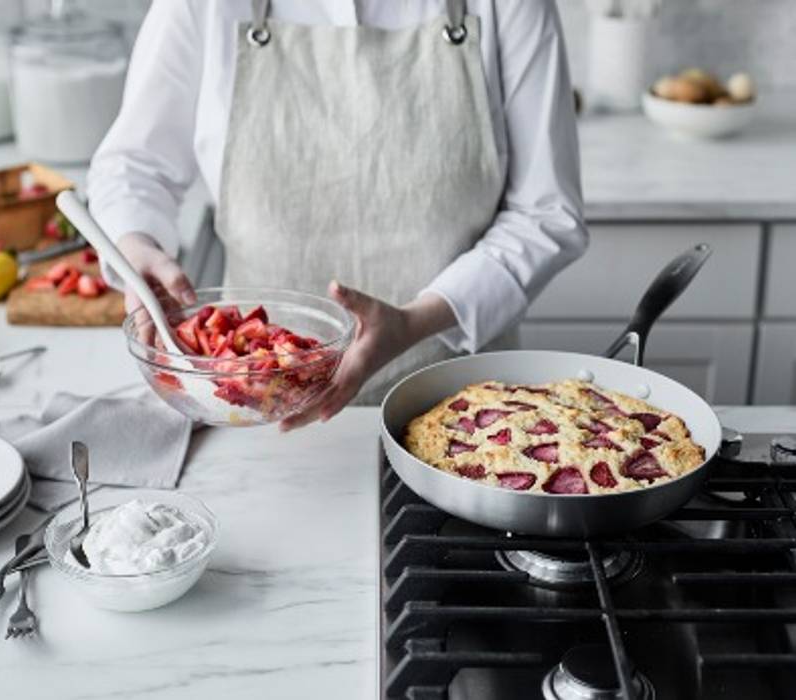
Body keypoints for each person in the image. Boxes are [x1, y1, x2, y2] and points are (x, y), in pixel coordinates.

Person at [87, 0, 588, 429]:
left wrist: (415, 323)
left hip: (468, 415)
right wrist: (135, 244)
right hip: (254, 406)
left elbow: (545, 213)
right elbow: (135, 164)